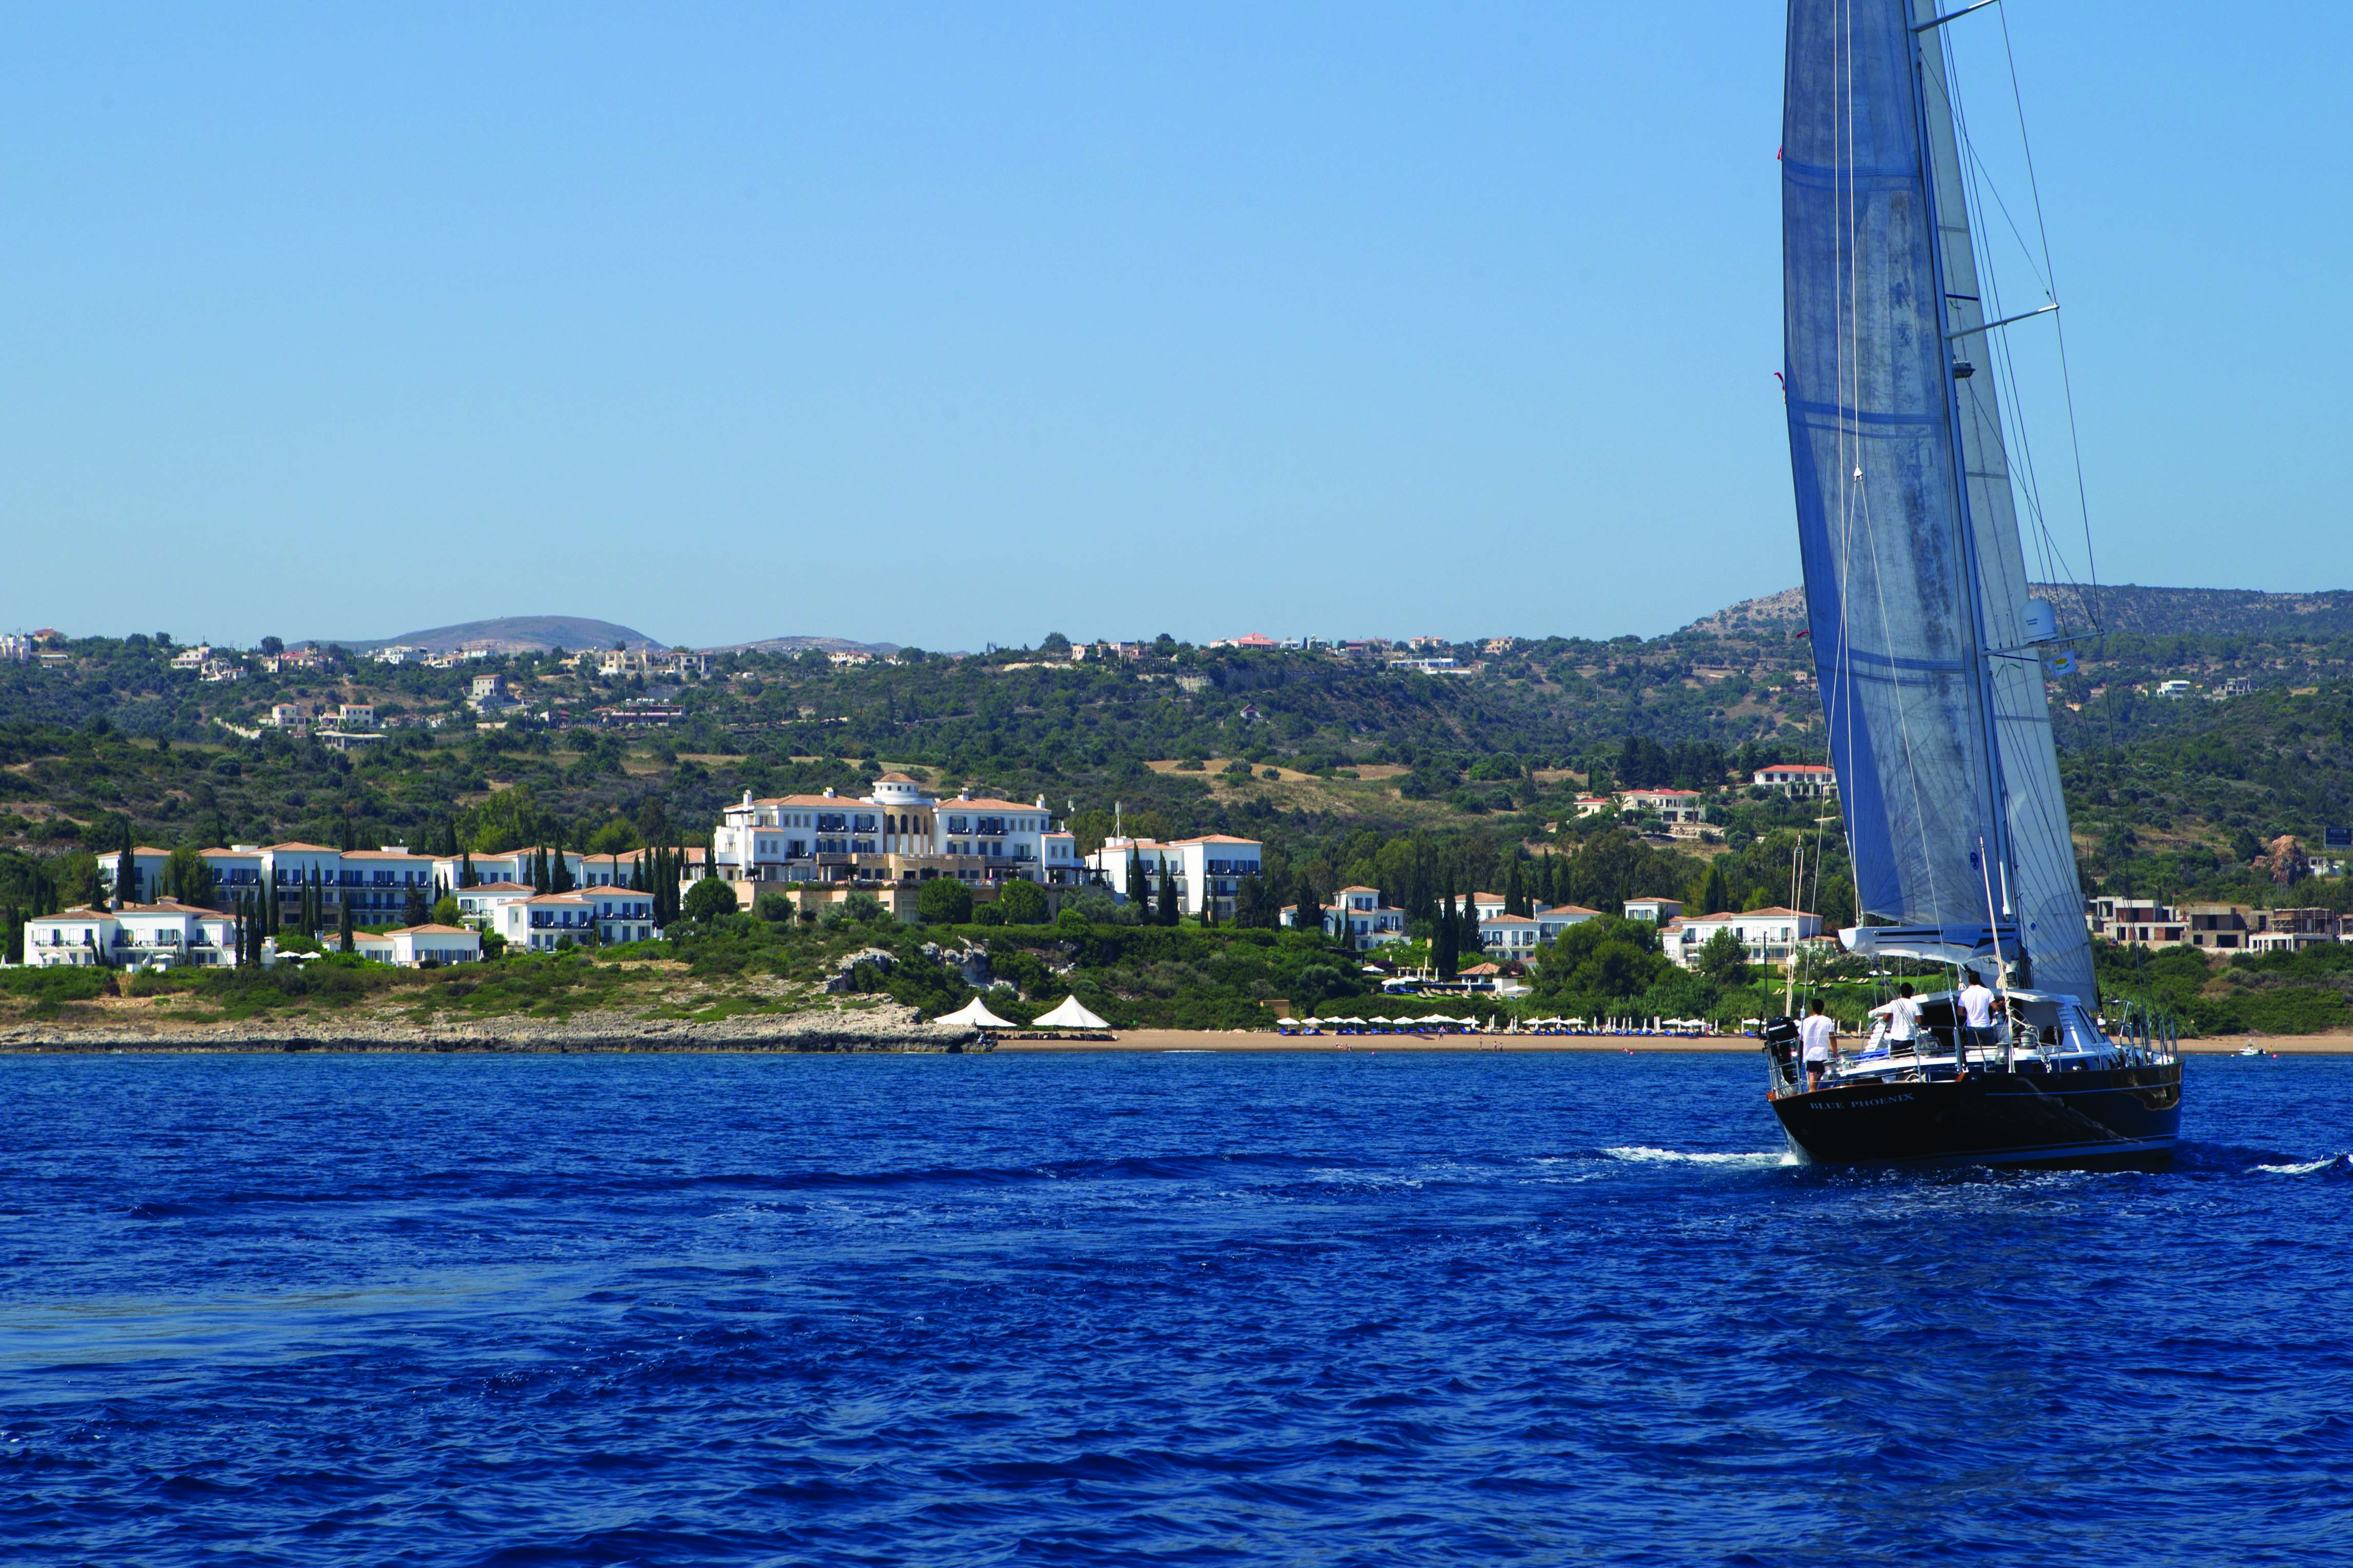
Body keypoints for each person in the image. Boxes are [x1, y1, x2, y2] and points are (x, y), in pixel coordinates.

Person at [1956, 969, 1998, 1069]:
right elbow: (1995, 1007)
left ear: (1969, 981)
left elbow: (1960, 1013)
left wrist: (1969, 1013)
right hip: (1985, 1026)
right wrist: (2002, 1003)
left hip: (1971, 1028)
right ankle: (1992, 1069)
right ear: (1979, 980)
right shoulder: (1987, 992)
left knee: (1974, 1053)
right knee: (1991, 1051)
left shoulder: (1964, 994)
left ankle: (1976, 1069)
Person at [1868, 984, 1922, 1058]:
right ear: (1911, 993)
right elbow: (1921, 1022)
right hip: (1910, 1040)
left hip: (1896, 1040)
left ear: (1901, 993)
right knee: (1911, 1062)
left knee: (1895, 1061)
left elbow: (1886, 1019)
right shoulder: (1915, 1005)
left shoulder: (1894, 1003)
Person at [1797, 999, 1836, 1091]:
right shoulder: (1828, 1021)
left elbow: (1799, 1035)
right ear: (1822, 1009)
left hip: (1809, 1052)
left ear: (1812, 1009)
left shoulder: (1806, 1021)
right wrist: (1835, 1051)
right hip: (1822, 1053)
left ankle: (1812, 1091)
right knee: (1824, 1073)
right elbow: (1832, 1037)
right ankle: (1816, 1089)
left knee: (1812, 1073)